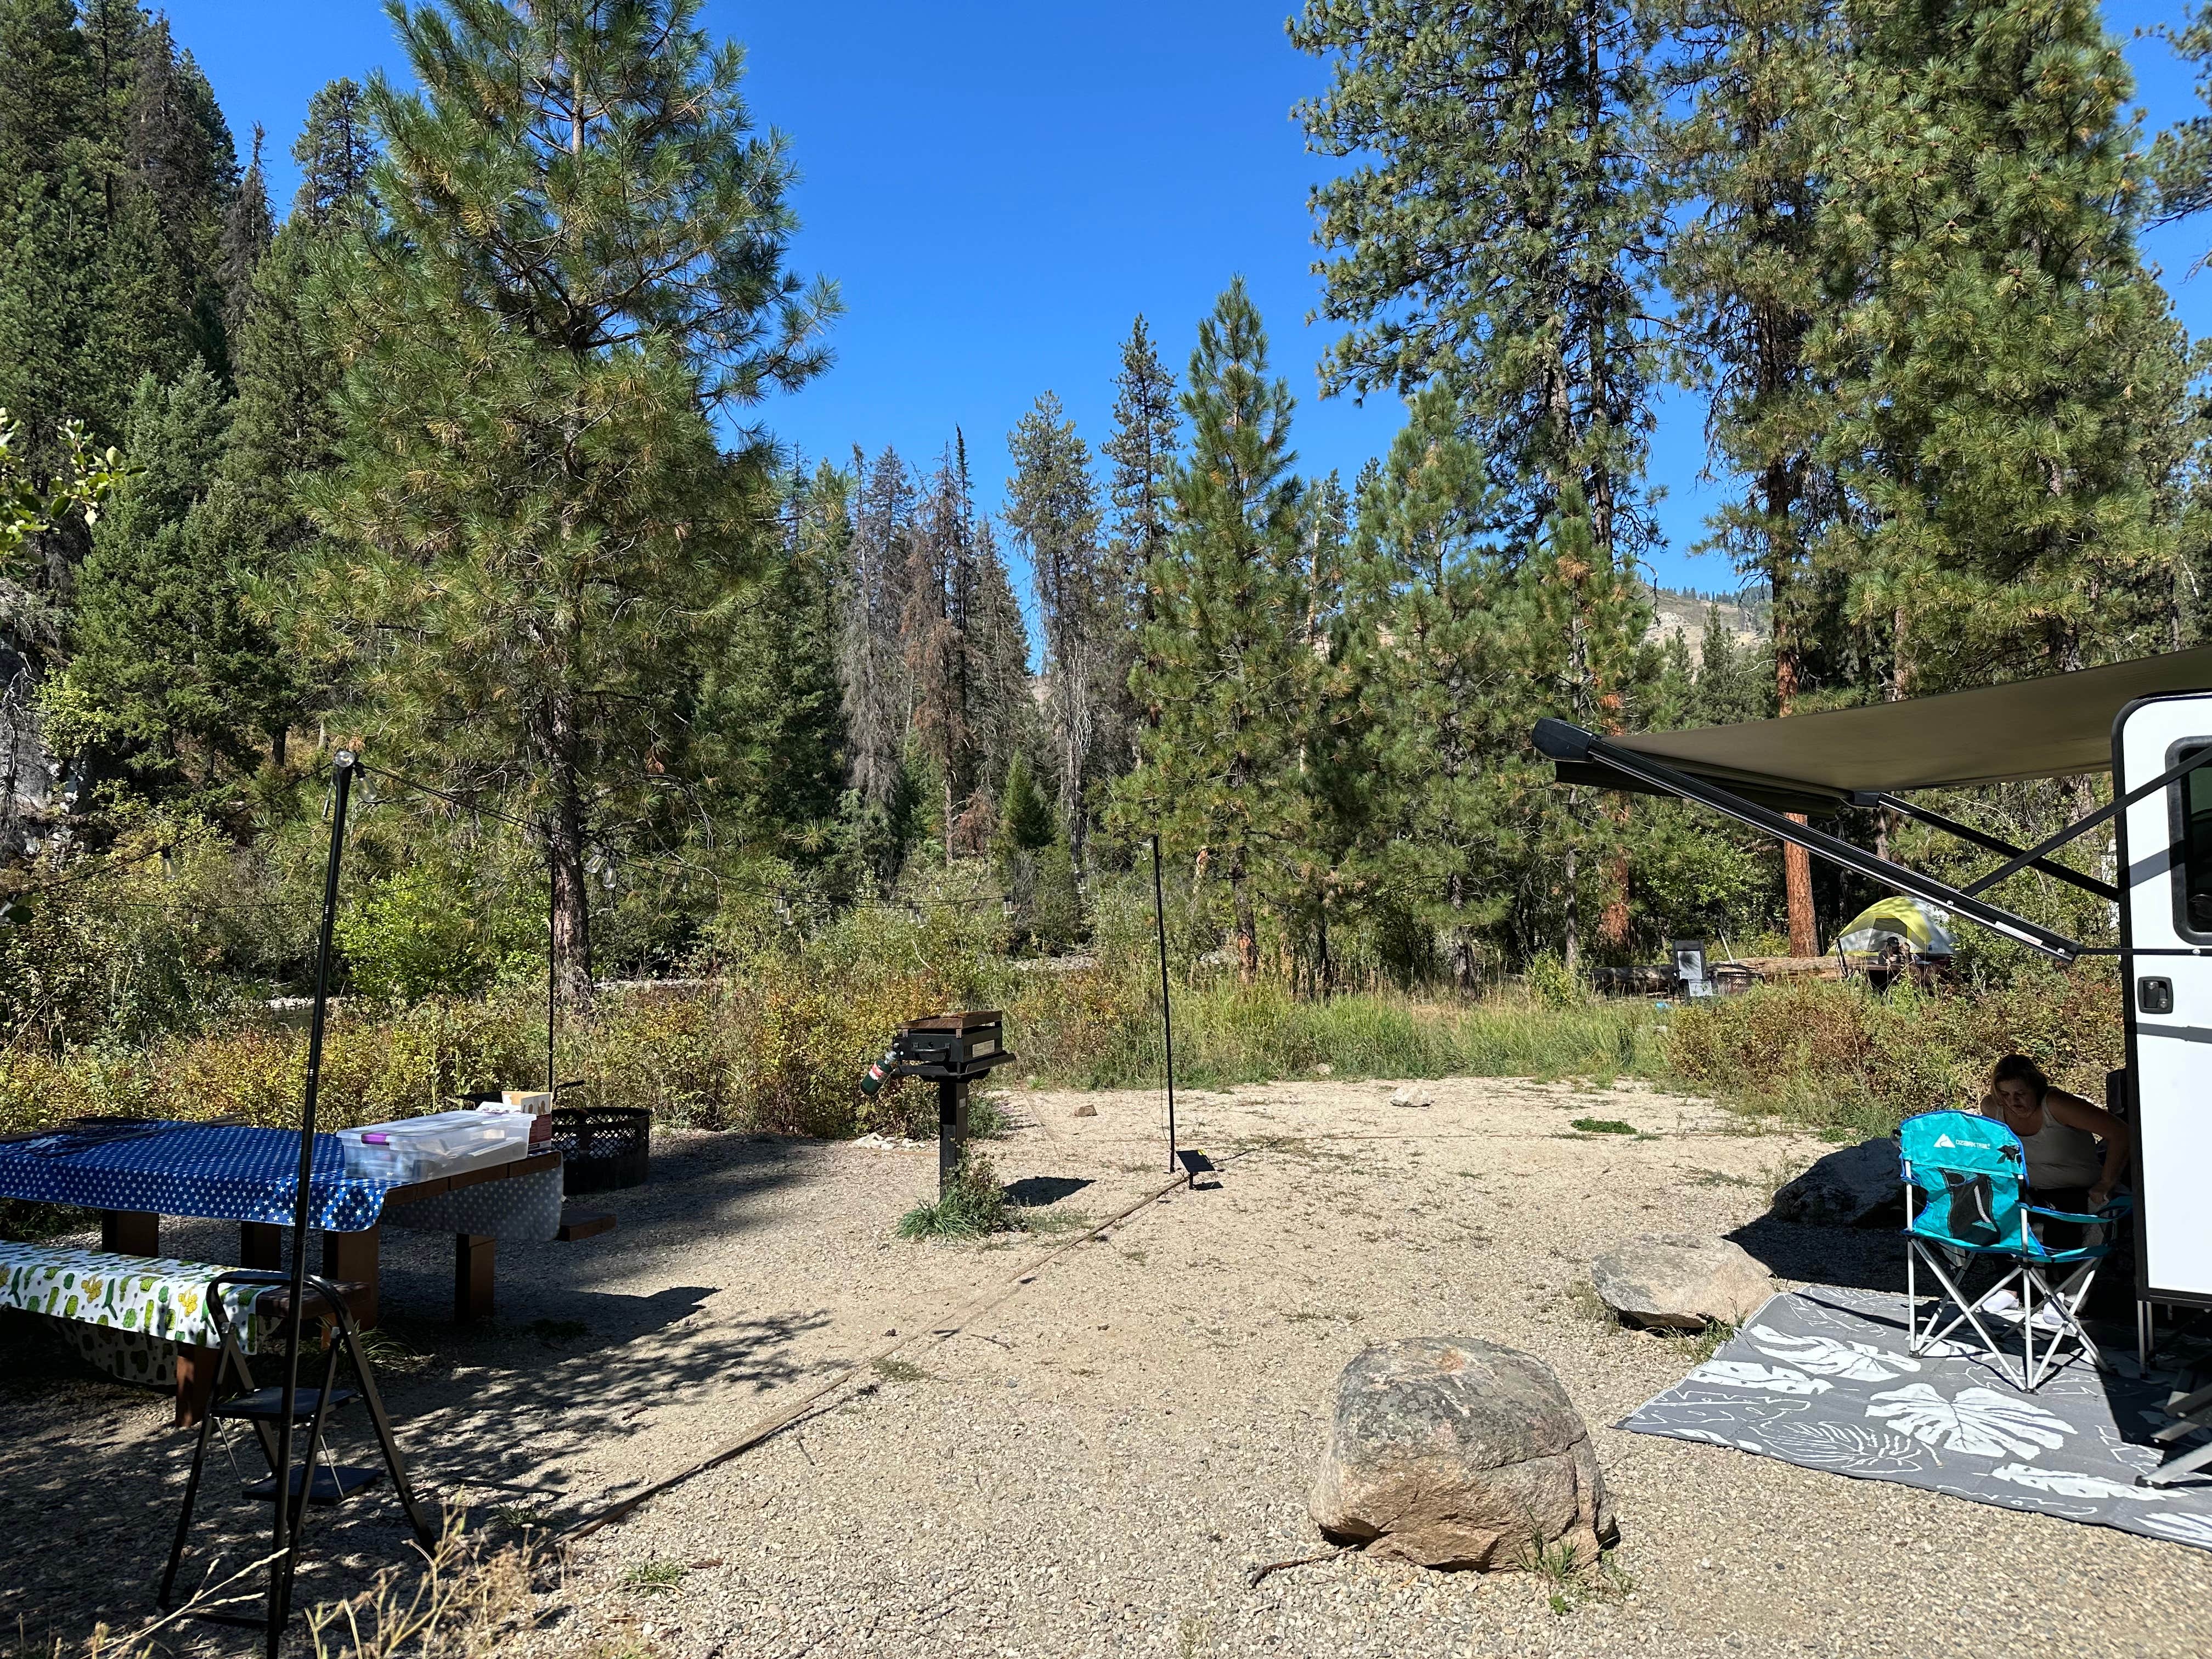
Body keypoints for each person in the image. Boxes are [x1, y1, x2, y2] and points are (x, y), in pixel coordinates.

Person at [1980, 1054, 2131, 1246]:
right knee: (1989, 1213)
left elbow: (2121, 1132)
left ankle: (2058, 1274)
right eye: (2005, 1095)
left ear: (2035, 1087)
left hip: (2075, 1190)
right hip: (2028, 1188)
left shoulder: (2057, 1105)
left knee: (2060, 1223)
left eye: (2021, 1094)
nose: (2013, 1102)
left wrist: (2107, 1181)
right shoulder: (1993, 1108)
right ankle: (2013, 1273)